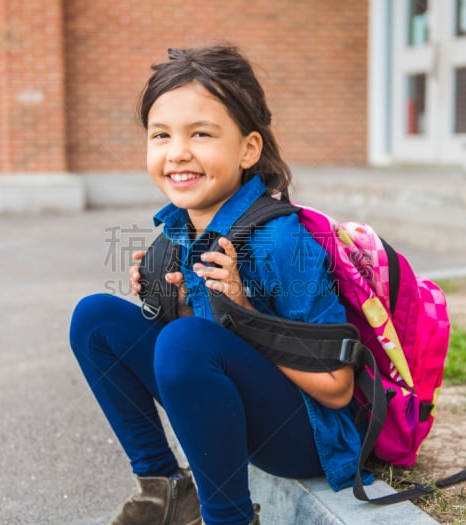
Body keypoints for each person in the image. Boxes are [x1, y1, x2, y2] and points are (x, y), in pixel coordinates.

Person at [69, 45, 367, 525]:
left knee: (184, 341)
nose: (177, 152)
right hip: (245, 415)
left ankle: (228, 518)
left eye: (201, 134)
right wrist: (177, 306)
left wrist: (239, 313)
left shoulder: (280, 241)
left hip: (306, 437)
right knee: (96, 319)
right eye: (160, 134)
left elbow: (337, 389)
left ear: (248, 148)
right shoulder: (177, 232)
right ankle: (164, 489)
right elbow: (202, 354)